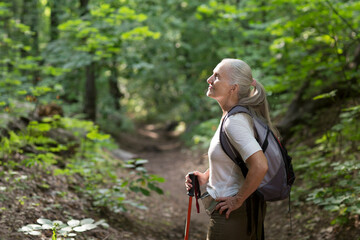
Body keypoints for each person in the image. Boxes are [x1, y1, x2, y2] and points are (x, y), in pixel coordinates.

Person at [185, 58, 279, 240]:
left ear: (233, 88)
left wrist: (237, 199)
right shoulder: (234, 116)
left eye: (217, 76)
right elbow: (236, 159)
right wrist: (205, 176)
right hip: (245, 212)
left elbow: (260, 166)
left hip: (232, 216)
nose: (209, 80)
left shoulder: (235, 122)